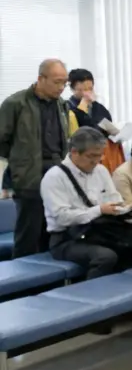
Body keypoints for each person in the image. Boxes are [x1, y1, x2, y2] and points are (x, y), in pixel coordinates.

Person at [0, 59, 72, 257]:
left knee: (53, 232)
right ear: (41, 78)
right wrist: (19, 159)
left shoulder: (62, 105)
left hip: (56, 173)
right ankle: (23, 285)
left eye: (64, 83)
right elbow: (2, 140)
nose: (61, 87)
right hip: (29, 176)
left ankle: (53, 283)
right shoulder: (15, 103)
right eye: (57, 82)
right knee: (28, 235)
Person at [42, 127, 131, 279]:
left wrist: (124, 209)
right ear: (74, 152)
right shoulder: (54, 177)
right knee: (106, 256)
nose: (96, 161)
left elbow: (114, 199)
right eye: (91, 156)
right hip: (68, 239)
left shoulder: (101, 170)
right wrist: (99, 210)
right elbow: (62, 217)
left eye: (100, 156)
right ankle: (91, 298)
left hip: (99, 231)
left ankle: (131, 298)